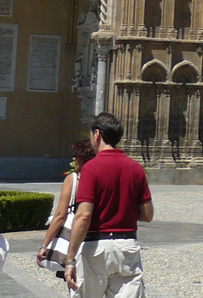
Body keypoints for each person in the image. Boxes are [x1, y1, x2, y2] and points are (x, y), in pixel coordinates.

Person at [62, 113, 153, 298]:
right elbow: (147, 214)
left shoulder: (91, 168)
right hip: (127, 246)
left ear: (97, 134)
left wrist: (70, 258)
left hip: (96, 247)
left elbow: (84, 215)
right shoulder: (135, 168)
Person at [36, 139, 96, 283]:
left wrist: (44, 245)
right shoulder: (102, 177)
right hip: (98, 239)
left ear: (83, 158)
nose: (73, 158)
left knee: (75, 285)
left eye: (76, 155)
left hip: (76, 239)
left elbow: (60, 215)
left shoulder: (73, 179)